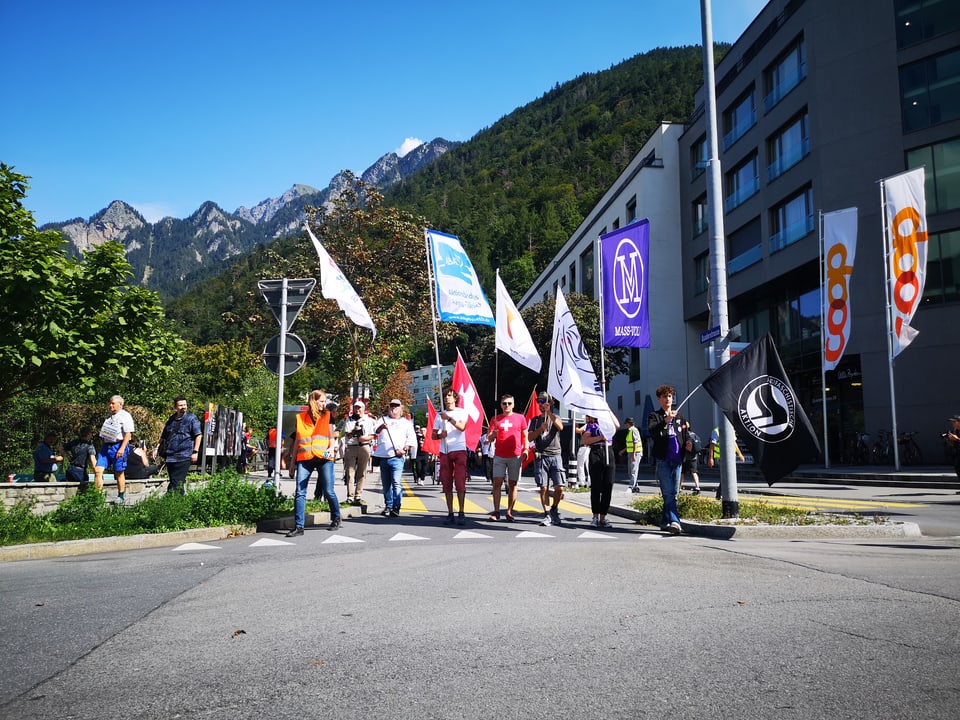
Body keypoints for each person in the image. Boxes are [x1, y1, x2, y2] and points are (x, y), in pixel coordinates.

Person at [286, 389, 342, 535]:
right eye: (322, 401)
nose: (324, 404)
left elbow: (331, 436)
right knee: (300, 492)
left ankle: (336, 517)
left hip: (324, 458)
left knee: (328, 491)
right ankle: (299, 527)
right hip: (305, 459)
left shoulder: (328, 416)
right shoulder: (300, 418)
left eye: (325, 402)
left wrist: (331, 448)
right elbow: (298, 440)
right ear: (314, 401)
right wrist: (292, 464)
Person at [648, 384, 691, 535]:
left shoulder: (680, 416)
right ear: (659, 399)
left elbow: (686, 434)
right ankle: (675, 522)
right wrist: (665, 420)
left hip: (677, 460)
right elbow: (652, 432)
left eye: (670, 396)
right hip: (663, 459)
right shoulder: (655, 416)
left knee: (674, 493)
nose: (668, 399)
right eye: (665, 396)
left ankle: (665, 520)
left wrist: (689, 444)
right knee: (669, 492)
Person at [486, 394, 529, 521]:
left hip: (515, 455)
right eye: (504, 403)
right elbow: (488, 439)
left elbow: (525, 436)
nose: (507, 406)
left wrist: (525, 449)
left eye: (509, 403)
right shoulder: (495, 419)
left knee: (513, 484)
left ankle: (509, 511)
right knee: (497, 483)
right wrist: (492, 435)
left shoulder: (520, 418)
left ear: (513, 405)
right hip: (499, 455)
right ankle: (497, 511)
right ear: (501, 405)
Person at [372, 398, 415, 517]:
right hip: (383, 456)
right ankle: (388, 505)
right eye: (391, 406)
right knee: (386, 484)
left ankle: (397, 506)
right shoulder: (382, 419)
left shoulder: (406, 423)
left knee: (396, 482)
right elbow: (374, 432)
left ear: (401, 409)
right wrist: (381, 427)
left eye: (396, 406)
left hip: (397, 457)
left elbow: (411, 439)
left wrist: (404, 449)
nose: (393, 408)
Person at [432, 387, 469, 525]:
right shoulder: (439, 415)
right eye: (445, 396)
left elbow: (462, 427)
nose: (447, 398)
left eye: (449, 395)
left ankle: (461, 511)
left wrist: (449, 419)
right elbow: (433, 435)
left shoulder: (461, 412)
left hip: (459, 448)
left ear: (455, 398)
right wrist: (440, 435)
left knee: (460, 481)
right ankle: (450, 512)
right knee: (446, 482)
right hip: (445, 450)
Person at [528, 391, 564, 526]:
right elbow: (530, 437)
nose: (541, 404)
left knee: (559, 487)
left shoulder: (555, 417)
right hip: (541, 456)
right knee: (543, 487)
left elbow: (560, 427)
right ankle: (547, 514)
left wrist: (549, 414)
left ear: (550, 403)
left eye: (544, 401)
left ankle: (554, 508)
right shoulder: (535, 420)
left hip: (555, 455)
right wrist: (539, 429)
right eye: (539, 402)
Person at [95, 395, 136, 504]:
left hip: (119, 446)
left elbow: (128, 434)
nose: (110, 405)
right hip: (106, 446)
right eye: (110, 403)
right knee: (98, 470)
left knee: (119, 472)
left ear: (120, 404)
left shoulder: (125, 416)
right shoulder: (109, 417)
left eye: (113, 403)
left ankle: (121, 495)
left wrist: (122, 448)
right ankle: (97, 497)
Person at [158, 396, 202, 496]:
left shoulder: (192, 418)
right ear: (175, 407)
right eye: (180, 405)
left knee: (177, 481)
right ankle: (181, 502)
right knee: (175, 480)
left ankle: (169, 498)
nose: (183, 407)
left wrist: (195, 452)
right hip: (170, 455)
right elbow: (164, 435)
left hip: (184, 454)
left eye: (185, 405)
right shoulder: (171, 419)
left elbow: (198, 435)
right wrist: (157, 448)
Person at [581, 414, 615, 527]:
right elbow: (585, 440)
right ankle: (595, 516)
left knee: (608, 485)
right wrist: (600, 437)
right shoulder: (592, 425)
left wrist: (608, 410)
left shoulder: (608, 423)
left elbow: (617, 425)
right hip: (596, 451)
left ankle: (603, 517)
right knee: (596, 485)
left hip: (608, 451)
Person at [342, 400, 375, 503]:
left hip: (364, 446)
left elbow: (372, 435)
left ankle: (358, 495)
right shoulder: (349, 420)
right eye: (356, 407)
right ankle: (350, 496)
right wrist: (354, 431)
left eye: (359, 408)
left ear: (363, 409)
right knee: (350, 472)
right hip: (351, 446)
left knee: (362, 472)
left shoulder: (368, 420)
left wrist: (363, 438)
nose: (357, 410)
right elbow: (347, 434)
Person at [64, 427, 97, 492]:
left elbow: (61, 447)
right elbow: (93, 461)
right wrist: (97, 473)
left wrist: (68, 457)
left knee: (69, 492)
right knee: (83, 491)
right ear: (88, 434)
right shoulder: (89, 445)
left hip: (70, 470)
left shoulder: (74, 442)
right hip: (80, 472)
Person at [619, 417, 643, 493]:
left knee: (633, 471)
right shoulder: (630, 431)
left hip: (635, 453)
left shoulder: (634, 430)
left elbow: (636, 443)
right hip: (631, 453)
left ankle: (631, 486)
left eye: (626, 423)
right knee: (630, 471)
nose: (625, 425)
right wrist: (623, 451)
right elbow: (630, 444)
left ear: (628, 423)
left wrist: (634, 454)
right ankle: (635, 486)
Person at [680, 428, 702, 495]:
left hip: (686, 457)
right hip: (694, 457)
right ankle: (697, 486)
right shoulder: (694, 435)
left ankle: (679, 487)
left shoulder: (686, 435)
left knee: (682, 473)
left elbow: (687, 446)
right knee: (694, 472)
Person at [574, 422, 591, 489]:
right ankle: (590, 482)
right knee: (588, 465)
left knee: (580, 465)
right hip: (589, 447)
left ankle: (582, 483)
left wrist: (575, 425)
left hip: (584, 447)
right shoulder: (594, 425)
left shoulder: (587, 425)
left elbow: (577, 431)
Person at [946, 415, 960, 493]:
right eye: (951, 422)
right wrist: (950, 440)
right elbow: (953, 444)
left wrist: (957, 439)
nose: (952, 423)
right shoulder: (955, 430)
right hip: (957, 453)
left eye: (954, 422)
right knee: (958, 469)